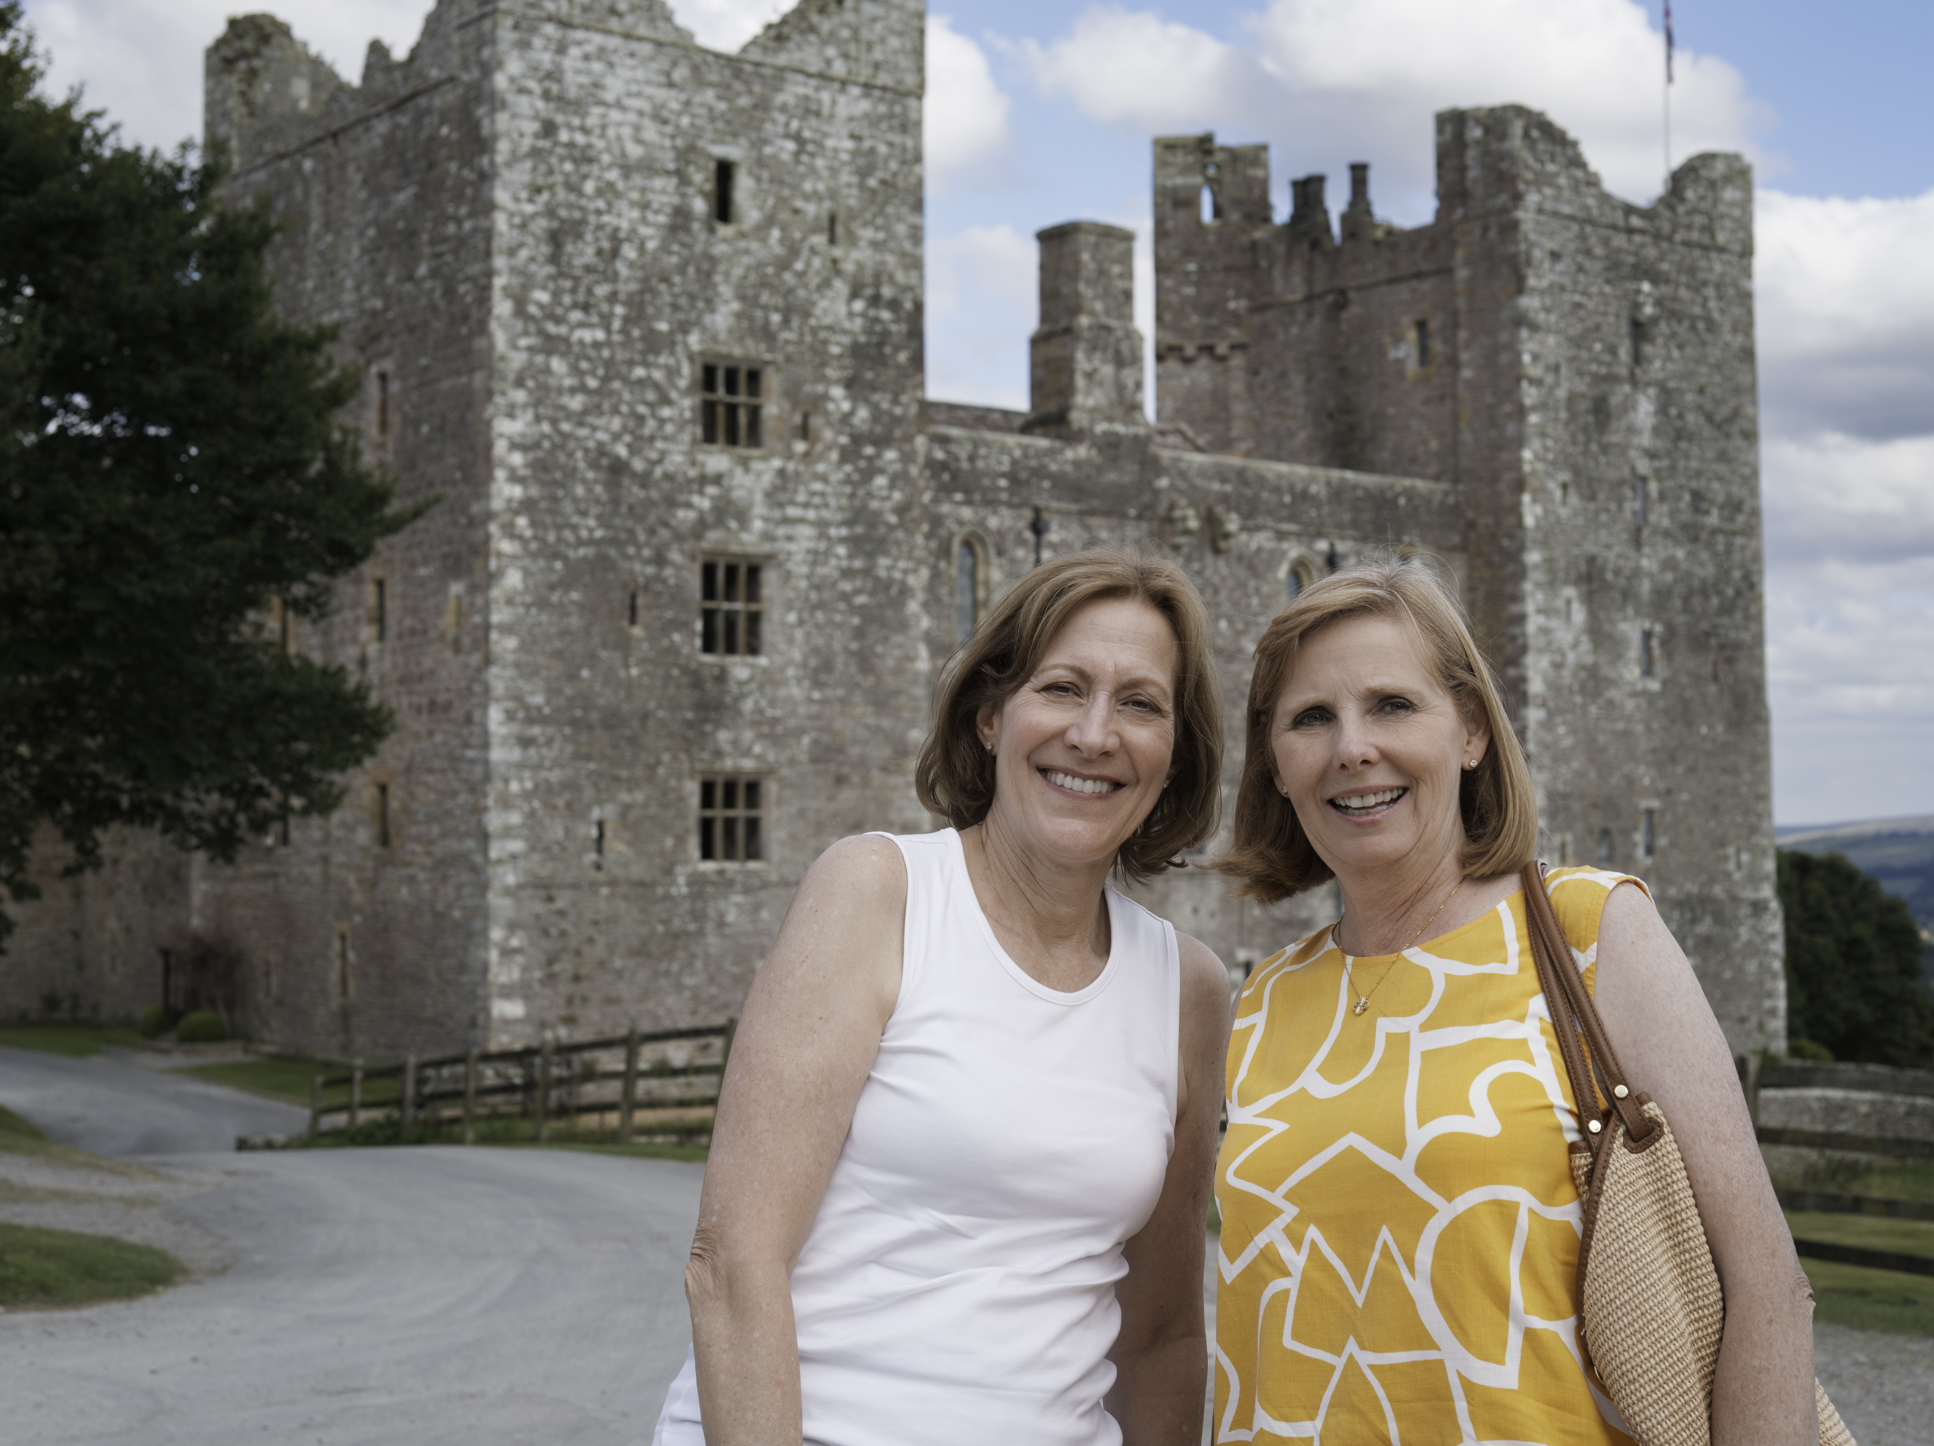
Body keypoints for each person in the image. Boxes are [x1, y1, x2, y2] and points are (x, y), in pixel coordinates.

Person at [1208, 560, 1816, 1446]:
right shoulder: (1264, 1000)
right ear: (1276, 763)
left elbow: (1766, 1283)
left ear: (1472, 732)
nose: (1352, 747)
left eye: (1392, 704)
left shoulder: (1589, 930)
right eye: (1311, 717)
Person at [656, 550, 1237, 1446]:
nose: (1094, 733)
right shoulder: (878, 893)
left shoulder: (1186, 988)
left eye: (1140, 703)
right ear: (989, 714)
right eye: (1062, 687)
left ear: (1176, 753)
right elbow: (733, 1263)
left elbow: (1161, 1335)